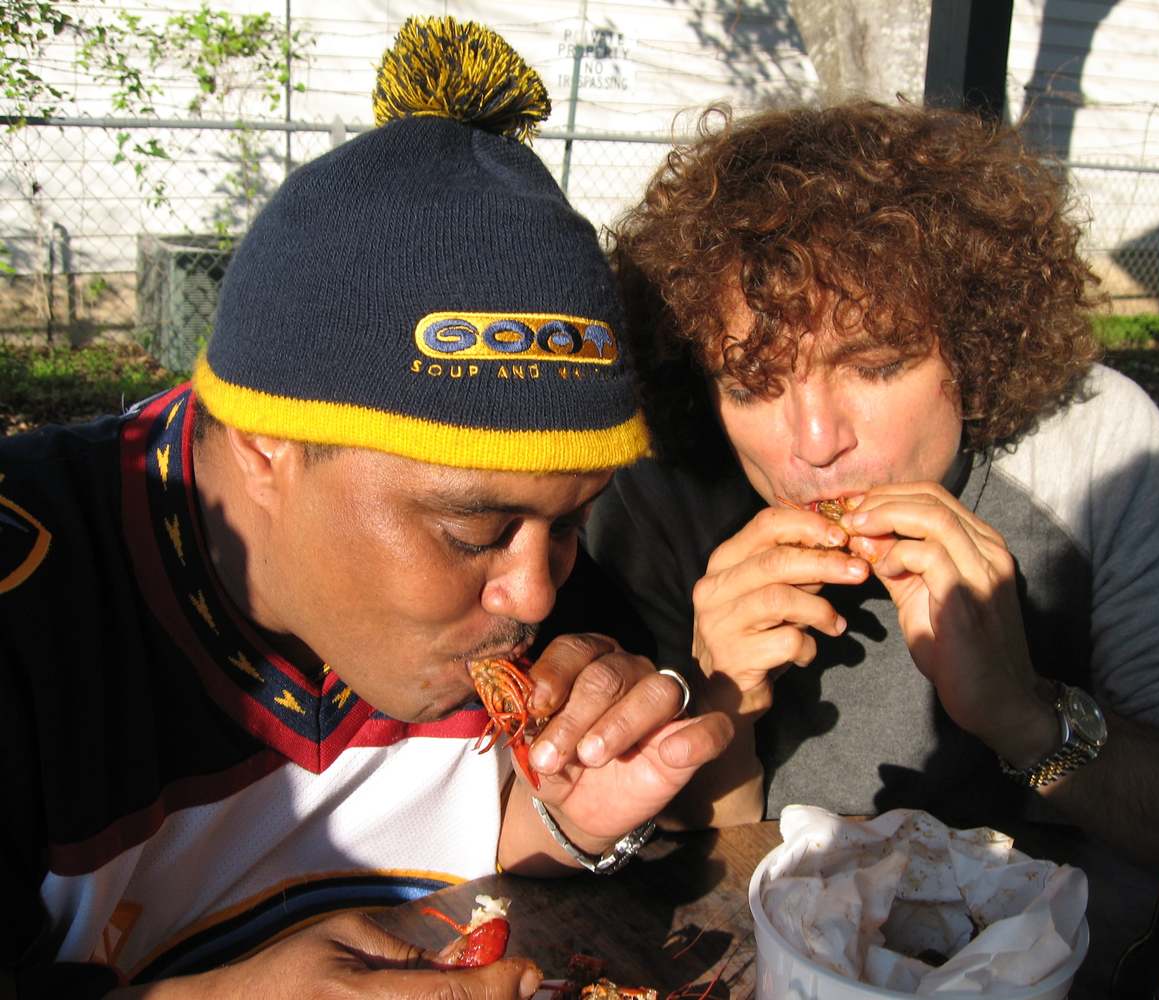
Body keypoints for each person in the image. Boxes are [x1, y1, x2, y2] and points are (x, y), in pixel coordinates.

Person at [0, 18, 731, 999]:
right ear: (267, 443)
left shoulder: (534, 585)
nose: (534, 590)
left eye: (570, 521)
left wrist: (568, 821)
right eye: (474, 530)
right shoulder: (30, 618)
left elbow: (491, 839)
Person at [586, 100, 1159, 906]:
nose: (815, 441)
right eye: (752, 384)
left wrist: (1025, 715)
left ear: (973, 347)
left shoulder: (1089, 450)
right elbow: (675, 873)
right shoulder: (658, 484)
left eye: (872, 366)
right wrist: (722, 705)